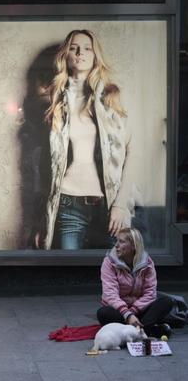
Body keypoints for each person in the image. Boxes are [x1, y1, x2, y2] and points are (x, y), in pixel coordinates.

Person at [38, 29, 133, 250]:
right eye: (74, 47)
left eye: (87, 48)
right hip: (68, 202)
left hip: (109, 206)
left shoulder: (113, 96)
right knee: (70, 278)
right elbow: (46, 164)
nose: (81, 52)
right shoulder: (56, 100)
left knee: (113, 278)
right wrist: (42, 219)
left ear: (94, 55)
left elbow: (132, 151)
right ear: (66, 55)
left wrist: (121, 204)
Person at [97, 228, 173, 338]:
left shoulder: (147, 263)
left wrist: (133, 311)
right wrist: (128, 315)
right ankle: (147, 330)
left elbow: (150, 293)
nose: (116, 245)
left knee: (166, 301)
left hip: (140, 309)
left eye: (122, 241)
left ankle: (131, 332)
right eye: (116, 241)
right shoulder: (109, 262)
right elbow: (110, 294)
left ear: (134, 245)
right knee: (103, 313)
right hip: (119, 312)